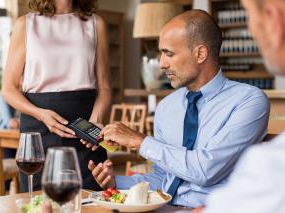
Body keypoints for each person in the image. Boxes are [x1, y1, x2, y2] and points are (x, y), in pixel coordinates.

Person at [87, 9, 270, 208]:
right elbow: (164, 180)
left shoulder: (249, 101)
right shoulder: (166, 107)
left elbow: (205, 171)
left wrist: (140, 141)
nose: (161, 64)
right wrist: (116, 183)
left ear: (200, 53)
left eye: (169, 53)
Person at [2, 0, 112, 192]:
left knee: (92, 202)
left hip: (85, 132)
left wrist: (95, 123)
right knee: (38, 203)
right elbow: (8, 89)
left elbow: (105, 87)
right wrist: (40, 114)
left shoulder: (96, 24)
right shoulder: (25, 24)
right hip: (38, 131)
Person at [192, 0, 285, 212]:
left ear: (273, 21)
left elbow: (207, 169)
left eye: (249, 14)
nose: (251, 29)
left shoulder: (270, 169)